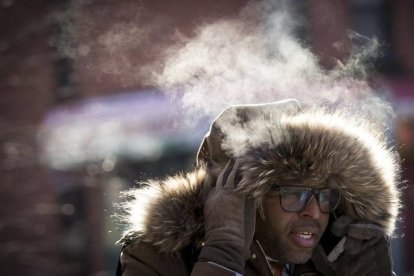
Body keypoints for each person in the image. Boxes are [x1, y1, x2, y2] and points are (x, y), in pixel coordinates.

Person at [116, 99, 401, 276]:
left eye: (324, 196)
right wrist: (222, 255)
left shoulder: (331, 264)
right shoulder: (156, 259)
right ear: (243, 200)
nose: (315, 212)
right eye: (295, 194)